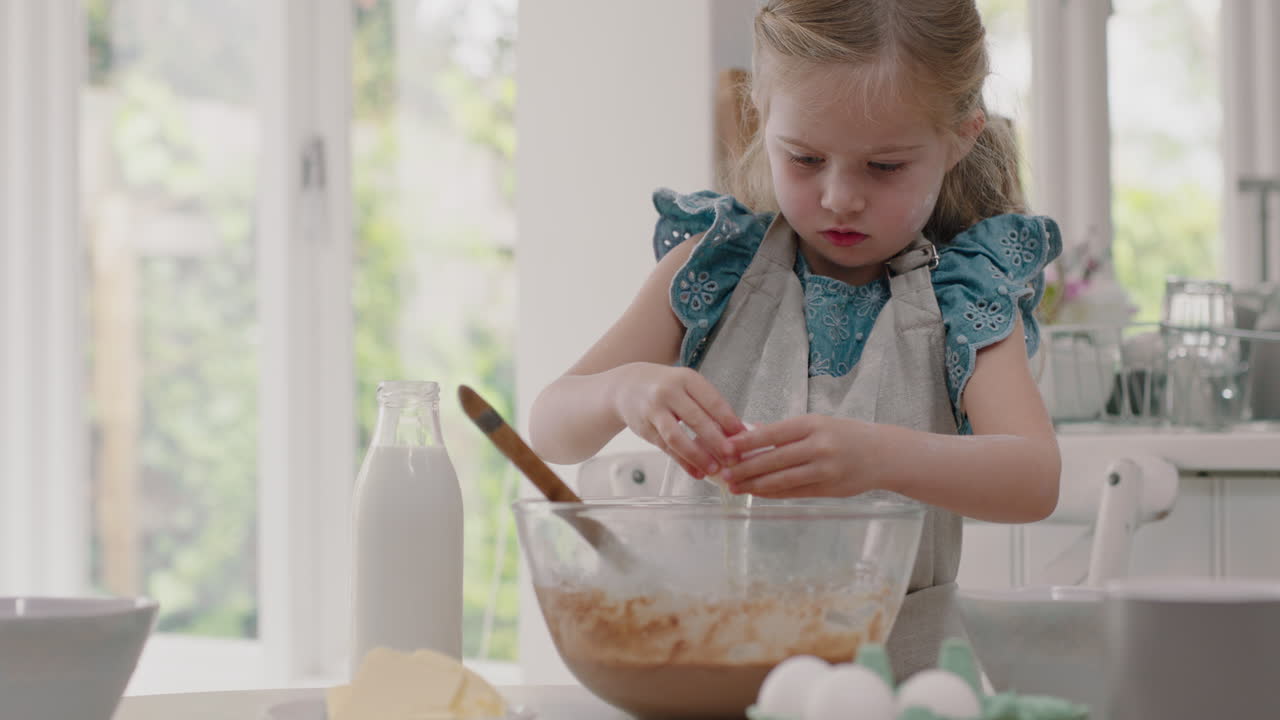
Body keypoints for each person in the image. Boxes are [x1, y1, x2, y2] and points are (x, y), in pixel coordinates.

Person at [529, 0, 1062, 678]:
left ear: (961, 136)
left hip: (900, 686)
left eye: (885, 166)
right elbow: (551, 429)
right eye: (806, 158)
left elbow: (1033, 479)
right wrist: (623, 389)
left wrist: (879, 457)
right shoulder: (712, 265)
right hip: (716, 676)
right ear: (762, 118)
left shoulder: (966, 290)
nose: (840, 196)